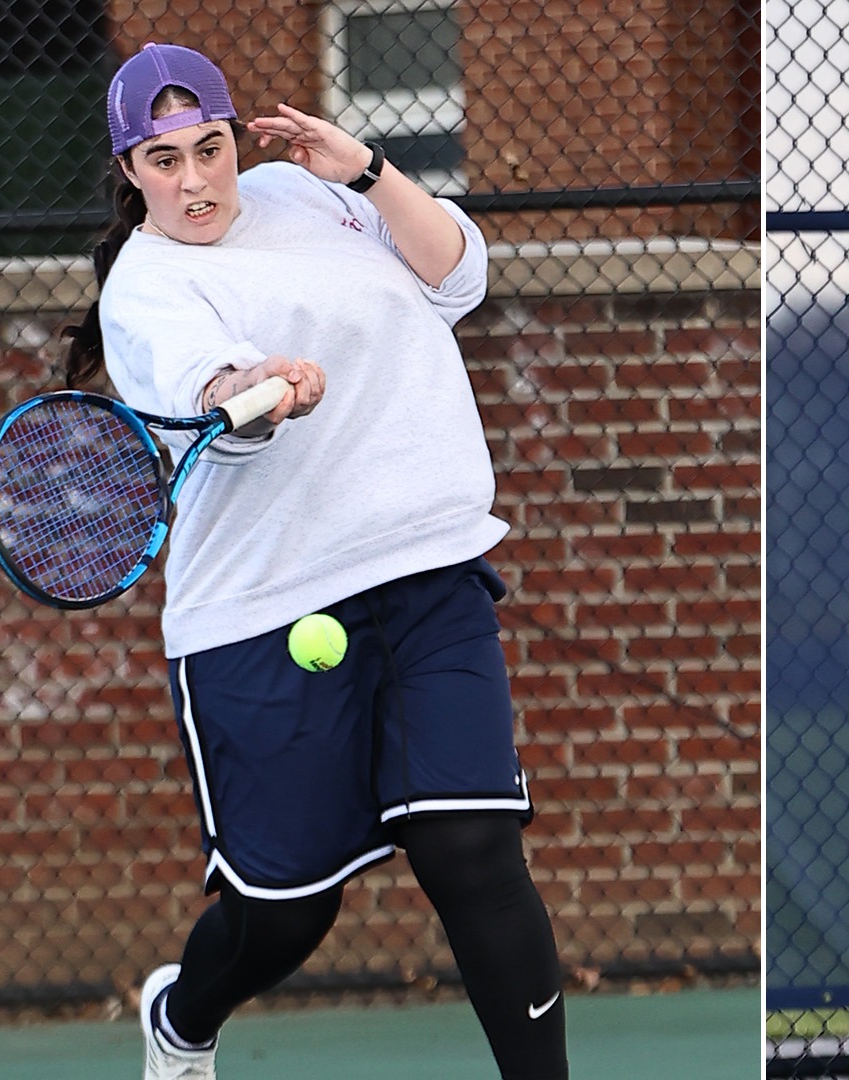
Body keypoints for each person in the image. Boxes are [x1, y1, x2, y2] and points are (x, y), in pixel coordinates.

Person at [60, 43, 568, 1080]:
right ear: (128, 168)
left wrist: (368, 170)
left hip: (429, 567)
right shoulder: (145, 288)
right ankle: (183, 1019)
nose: (195, 179)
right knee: (285, 913)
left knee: (473, 849)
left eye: (209, 148)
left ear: (237, 138)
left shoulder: (309, 192)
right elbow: (215, 402)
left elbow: (459, 275)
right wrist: (263, 386)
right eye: (164, 161)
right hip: (261, 609)